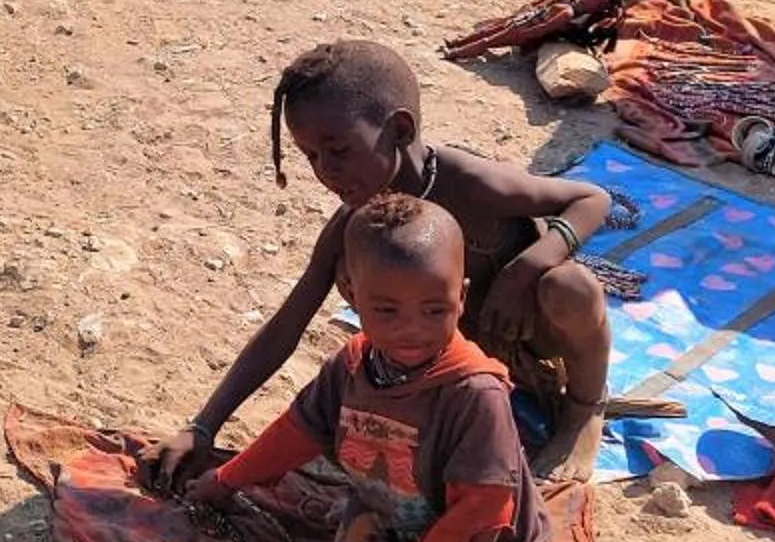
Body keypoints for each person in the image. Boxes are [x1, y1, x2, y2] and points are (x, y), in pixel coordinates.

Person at [147, 40, 616, 482]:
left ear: (399, 130)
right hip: (451, 356)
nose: (325, 171)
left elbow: (592, 199)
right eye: (310, 156)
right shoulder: (356, 223)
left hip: (527, 332)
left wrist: (526, 268)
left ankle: (583, 410)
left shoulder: (470, 182)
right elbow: (286, 325)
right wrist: (204, 426)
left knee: (571, 289)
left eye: (339, 150)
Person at [188, 194, 552, 542]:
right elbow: (298, 431)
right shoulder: (356, 363)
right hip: (392, 512)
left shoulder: (475, 393)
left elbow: (482, 509)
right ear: (353, 297)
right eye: (386, 311)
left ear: (461, 297)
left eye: (434, 310)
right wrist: (227, 480)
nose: (412, 331)